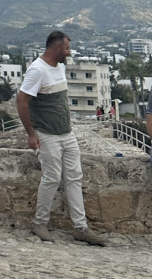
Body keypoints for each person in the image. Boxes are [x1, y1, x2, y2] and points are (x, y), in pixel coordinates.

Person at [16, 31, 106, 246]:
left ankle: (81, 228)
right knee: (52, 178)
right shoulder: (37, 70)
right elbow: (21, 101)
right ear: (57, 48)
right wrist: (31, 133)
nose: (69, 52)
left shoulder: (60, 68)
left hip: (67, 133)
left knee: (75, 177)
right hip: (47, 134)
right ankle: (39, 222)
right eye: (66, 48)